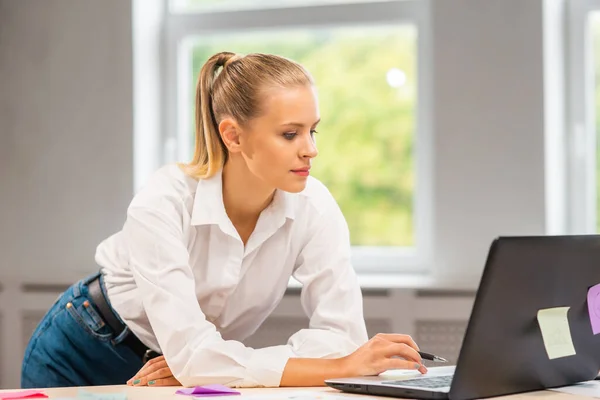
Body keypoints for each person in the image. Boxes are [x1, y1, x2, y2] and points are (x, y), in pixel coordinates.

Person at [21, 52, 428, 389]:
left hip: (179, 370)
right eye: (290, 134)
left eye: (313, 131)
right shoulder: (162, 202)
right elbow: (339, 359)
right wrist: (337, 368)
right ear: (232, 136)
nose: (311, 150)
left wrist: (203, 363)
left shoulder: (315, 208)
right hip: (86, 347)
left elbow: (343, 338)